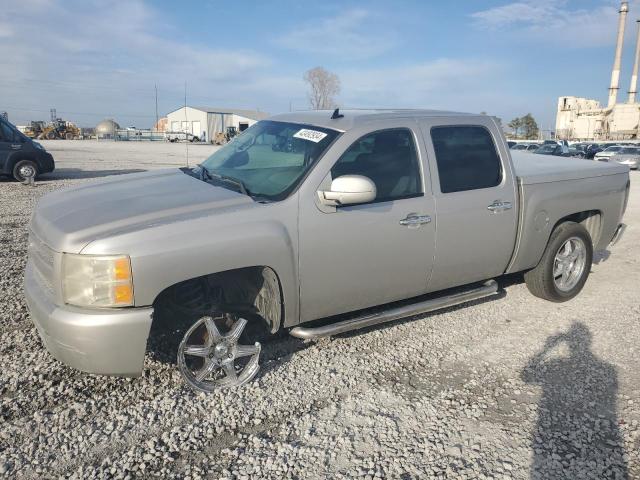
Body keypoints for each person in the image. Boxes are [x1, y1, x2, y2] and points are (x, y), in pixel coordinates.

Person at [521, 323, 628, 479]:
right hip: (605, 434)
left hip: (548, 433)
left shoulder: (557, 363)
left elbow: (526, 377)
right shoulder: (608, 369)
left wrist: (545, 349)